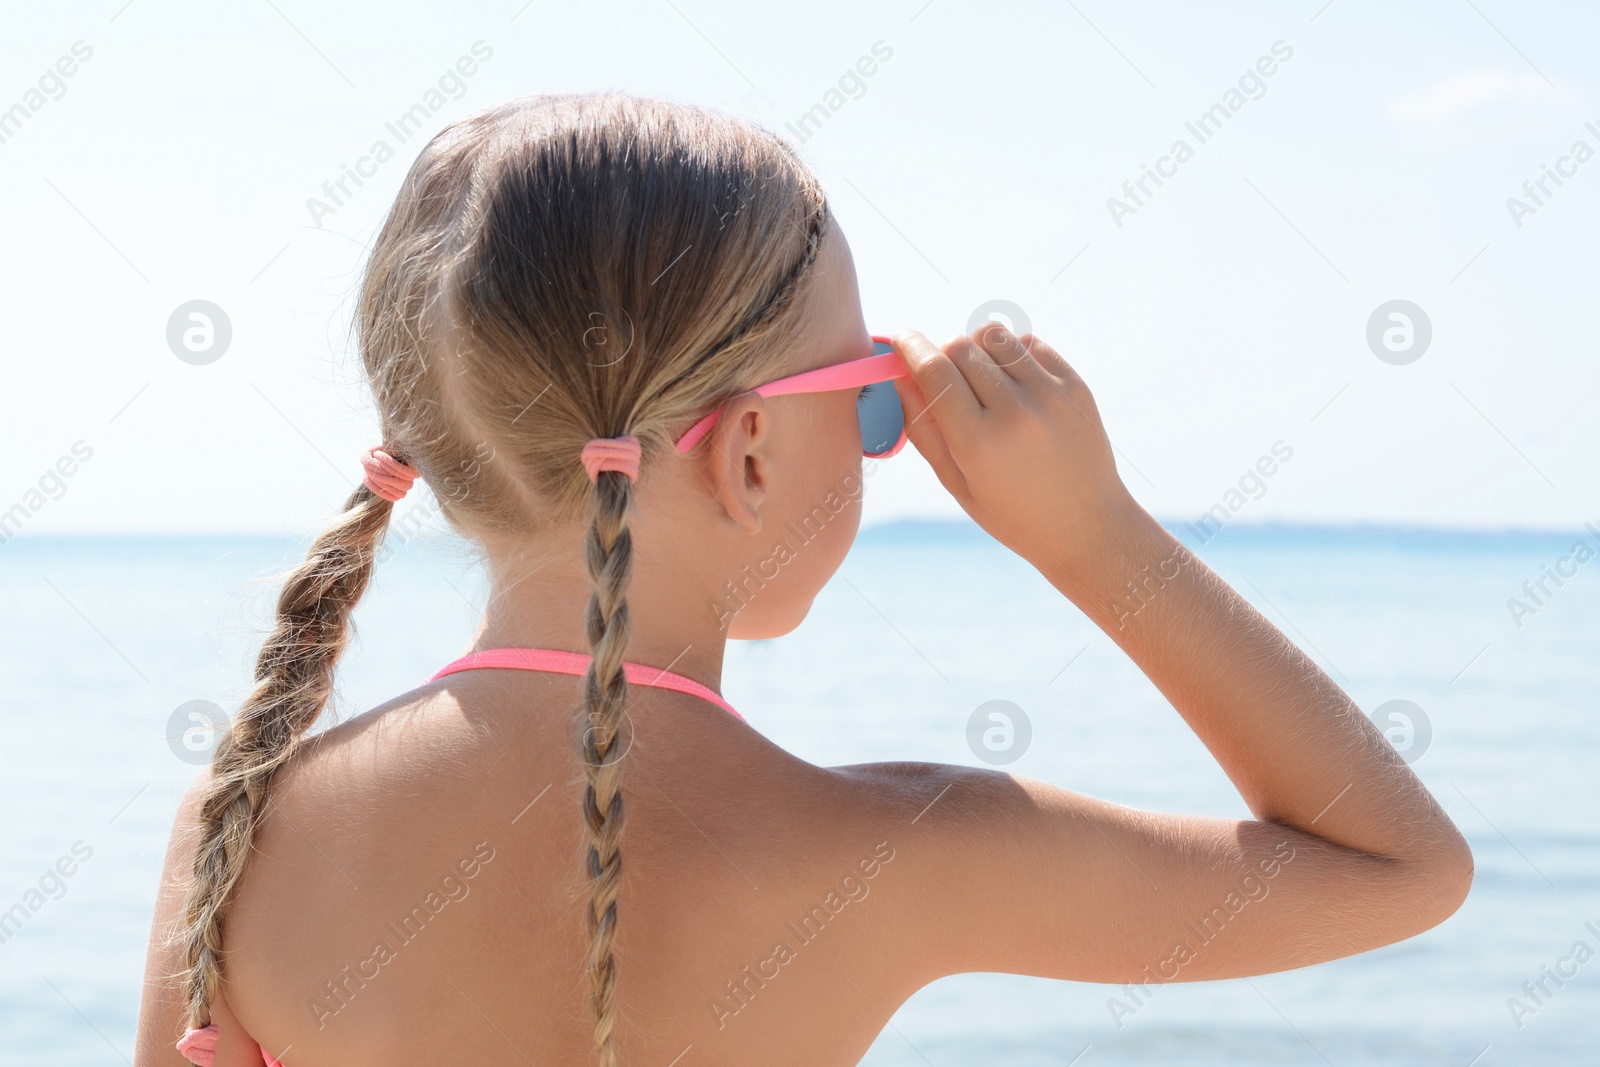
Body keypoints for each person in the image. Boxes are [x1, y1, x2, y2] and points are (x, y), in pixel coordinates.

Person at [133, 91, 1472, 1067]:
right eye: (875, 397)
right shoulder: (892, 852)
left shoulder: (236, 834)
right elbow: (1398, 867)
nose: (890, 434)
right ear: (754, 451)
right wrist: (1092, 535)